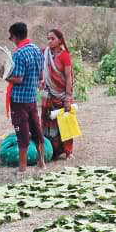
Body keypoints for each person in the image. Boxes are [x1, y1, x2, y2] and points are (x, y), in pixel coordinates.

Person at [6, 22, 47, 173]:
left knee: (22, 132)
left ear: (15, 36)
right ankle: (41, 162)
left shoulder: (18, 53)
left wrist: (5, 75)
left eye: (11, 36)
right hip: (31, 98)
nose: (11, 39)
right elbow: (41, 76)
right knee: (36, 129)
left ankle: (22, 166)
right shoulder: (37, 50)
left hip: (19, 99)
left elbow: (18, 78)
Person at [41, 28, 75, 160]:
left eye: (52, 38)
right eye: (48, 38)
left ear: (60, 40)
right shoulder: (45, 54)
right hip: (49, 94)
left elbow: (68, 77)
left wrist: (68, 96)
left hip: (62, 95)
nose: (49, 41)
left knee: (66, 122)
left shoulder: (65, 56)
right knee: (48, 122)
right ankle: (52, 150)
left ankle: (68, 151)